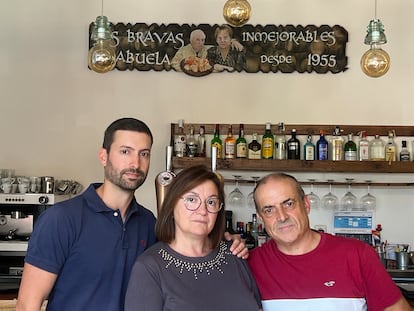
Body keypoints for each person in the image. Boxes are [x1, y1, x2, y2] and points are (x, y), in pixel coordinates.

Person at [16, 118, 247, 311]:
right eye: (125, 151)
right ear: (104, 156)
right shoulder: (61, 219)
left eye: (144, 154)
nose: (135, 163)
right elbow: (28, 304)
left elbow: (190, 243)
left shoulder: (148, 222)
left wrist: (227, 240)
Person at [248, 172, 413, 311]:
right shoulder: (250, 263)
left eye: (289, 204)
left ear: (306, 205)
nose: (282, 217)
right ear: (261, 217)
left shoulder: (357, 255)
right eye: (269, 210)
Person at [125, 165, 262, 311]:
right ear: (171, 206)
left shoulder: (234, 253)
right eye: (191, 199)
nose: (202, 211)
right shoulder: (149, 268)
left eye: (211, 202)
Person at [171, 28, 244, 72]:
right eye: (198, 40)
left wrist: (232, 41)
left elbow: (222, 45)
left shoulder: (209, 49)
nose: (201, 43)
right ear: (191, 40)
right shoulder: (183, 50)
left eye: (202, 40)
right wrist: (188, 70)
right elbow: (174, 63)